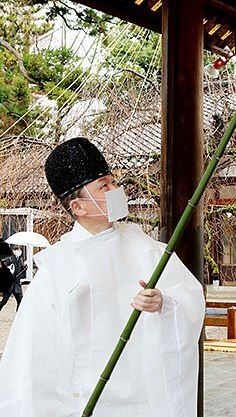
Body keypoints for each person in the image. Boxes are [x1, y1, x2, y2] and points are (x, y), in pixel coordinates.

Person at [0, 137, 205, 416]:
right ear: (79, 207)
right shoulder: (57, 269)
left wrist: (164, 304)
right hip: (86, 401)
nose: (116, 190)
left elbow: (189, 300)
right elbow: (33, 359)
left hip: (146, 398)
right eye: (104, 186)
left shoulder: (147, 248)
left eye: (113, 182)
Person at [0, 243, 24, 312]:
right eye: (16, 249)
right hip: (9, 284)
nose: (18, 251)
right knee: (4, 300)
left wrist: (25, 267)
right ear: (13, 251)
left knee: (20, 301)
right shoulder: (9, 259)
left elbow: (21, 271)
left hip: (17, 285)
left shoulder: (21, 259)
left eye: (20, 249)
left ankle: (18, 315)